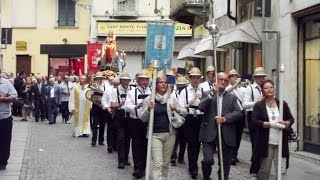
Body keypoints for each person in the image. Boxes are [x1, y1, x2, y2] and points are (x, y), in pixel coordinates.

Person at [140, 72, 187, 180]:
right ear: (156, 84)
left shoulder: (172, 98)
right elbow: (142, 118)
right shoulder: (149, 99)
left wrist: (176, 108)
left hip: (170, 134)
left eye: (165, 82)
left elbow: (184, 112)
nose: (163, 84)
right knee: (157, 163)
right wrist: (148, 109)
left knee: (165, 164)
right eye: (160, 82)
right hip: (155, 135)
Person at [198, 72, 242, 180]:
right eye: (221, 79)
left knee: (225, 163)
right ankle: (206, 176)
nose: (223, 82)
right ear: (215, 80)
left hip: (226, 133)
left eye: (225, 80)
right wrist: (212, 93)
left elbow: (239, 112)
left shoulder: (231, 97)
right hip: (209, 132)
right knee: (208, 160)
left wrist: (225, 118)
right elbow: (201, 107)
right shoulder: (207, 93)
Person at [252, 80, 294, 180]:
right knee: (264, 171)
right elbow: (254, 120)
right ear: (262, 91)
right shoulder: (259, 105)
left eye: (271, 87)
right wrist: (264, 124)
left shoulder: (282, 104)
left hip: (281, 142)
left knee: (281, 171)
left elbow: (291, 119)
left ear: (274, 89)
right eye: (266, 88)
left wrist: (286, 123)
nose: (269, 89)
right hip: (266, 142)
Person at [124, 70, 151, 179]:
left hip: (148, 122)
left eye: (146, 79)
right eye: (142, 79)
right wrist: (136, 106)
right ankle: (137, 168)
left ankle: (144, 167)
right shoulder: (132, 92)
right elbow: (126, 106)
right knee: (136, 145)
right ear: (138, 81)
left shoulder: (152, 92)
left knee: (146, 145)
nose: (144, 82)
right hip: (135, 121)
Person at [178, 67, 203, 179]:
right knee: (191, 143)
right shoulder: (184, 91)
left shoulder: (202, 90)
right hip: (189, 118)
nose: (195, 80)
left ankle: (193, 165)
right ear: (190, 78)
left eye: (197, 78)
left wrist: (202, 101)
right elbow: (180, 107)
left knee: (197, 144)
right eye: (194, 78)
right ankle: (193, 168)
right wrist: (188, 104)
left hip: (199, 118)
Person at [243, 67, 267, 175]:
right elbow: (244, 105)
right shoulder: (250, 89)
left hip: (265, 116)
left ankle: (257, 165)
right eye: (259, 77)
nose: (261, 79)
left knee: (263, 142)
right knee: (256, 142)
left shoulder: (267, 88)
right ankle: (255, 168)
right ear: (255, 78)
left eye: (262, 77)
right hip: (253, 116)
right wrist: (256, 102)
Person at [110, 72, 132, 169]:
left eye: (127, 80)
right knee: (121, 138)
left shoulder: (132, 90)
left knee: (128, 138)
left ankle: (126, 159)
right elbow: (112, 105)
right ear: (120, 81)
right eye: (123, 80)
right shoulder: (115, 91)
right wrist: (120, 104)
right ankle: (121, 160)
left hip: (130, 116)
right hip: (120, 115)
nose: (125, 82)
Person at [226, 69, 246, 165]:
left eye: (236, 76)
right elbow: (227, 92)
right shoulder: (228, 88)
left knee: (238, 136)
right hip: (231, 114)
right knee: (231, 136)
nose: (235, 78)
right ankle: (231, 155)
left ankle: (235, 154)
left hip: (241, 114)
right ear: (229, 78)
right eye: (233, 76)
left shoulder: (242, 89)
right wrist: (235, 85)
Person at [0, 69, 18, 170]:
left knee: (5, 140)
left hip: (4, 117)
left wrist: (3, 99)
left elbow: (14, 96)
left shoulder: (6, 83)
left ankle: (2, 162)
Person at [170, 76, 189, 166]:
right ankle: (173, 156)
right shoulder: (173, 94)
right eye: (180, 86)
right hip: (176, 118)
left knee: (184, 139)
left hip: (186, 117)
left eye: (184, 86)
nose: (182, 87)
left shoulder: (187, 93)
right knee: (175, 138)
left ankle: (181, 157)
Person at [89, 72, 107, 146]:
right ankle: (94, 140)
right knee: (95, 124)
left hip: (103, 106)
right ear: (95, 79)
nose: (99, 80)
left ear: (102, 79)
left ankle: (101, 140)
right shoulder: (93, 86)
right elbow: (90, 95)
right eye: (97, 78)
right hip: (95, 106)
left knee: (103, 124)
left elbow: (107, 95)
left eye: (100, 78)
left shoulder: (106, 86)